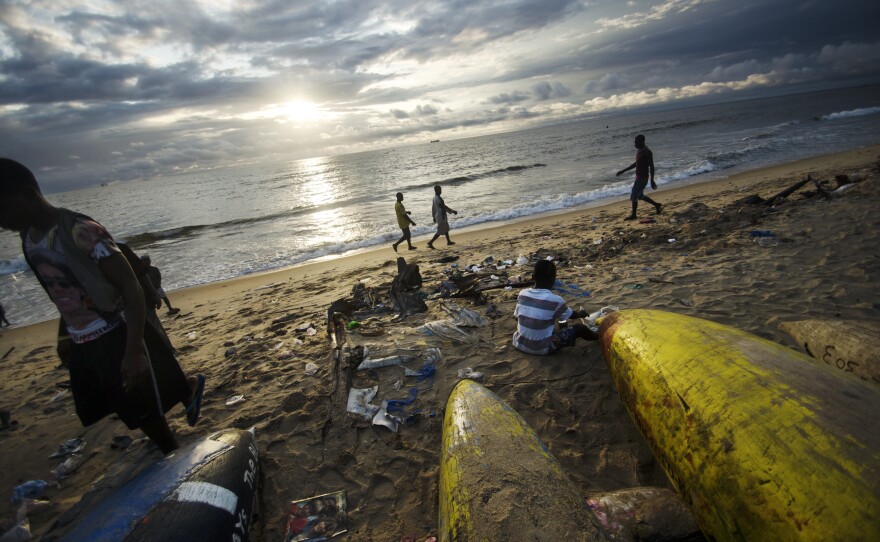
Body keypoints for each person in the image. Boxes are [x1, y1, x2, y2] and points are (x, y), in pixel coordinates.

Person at [0, 158, 205, 455]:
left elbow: (130, 286)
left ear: (29, 194)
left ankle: (172, 449)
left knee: (143, 405)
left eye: (3, 208)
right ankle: (184, 397)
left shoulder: (81, 231)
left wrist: (133, 351)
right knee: (125, 402)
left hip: (116, 330)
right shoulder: (29, 239)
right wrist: (65, 335)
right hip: (84, 337)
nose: (1, 221)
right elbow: (63, 292)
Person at [512, 260, 596, 355]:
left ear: (533, 277)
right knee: (580, 328)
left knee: (552, 322)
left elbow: (517, 317)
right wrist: (580, 314)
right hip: (542, 348)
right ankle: (597, 336)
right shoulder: (555, 300)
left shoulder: (522, 294)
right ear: (553, 278)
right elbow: (572, 315)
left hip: (519, 343)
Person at [616, 134, 662, 220]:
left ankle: (634, 215)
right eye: (634, 142)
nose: (635, 144)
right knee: (640, 196)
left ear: (641, 142)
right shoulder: (640, 150)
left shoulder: (647, 152)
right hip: (639, 177)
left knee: (634, 195)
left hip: (643, 178)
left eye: (636, 142)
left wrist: (652, 180)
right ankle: (657, 205)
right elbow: (636, 163)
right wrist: (623, 171)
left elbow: (652, 166)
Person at [427, 185, 458, 249]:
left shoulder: (435, 198)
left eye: (440, 189)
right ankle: (430, 242)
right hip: (441, 216)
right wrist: (452, 211)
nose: (441, 191)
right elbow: (444, 207)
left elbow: (433, 208)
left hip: (440, 215)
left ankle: (448, 241)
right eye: (439, 190)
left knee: (446, 228)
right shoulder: (438, 199)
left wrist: (433, 216)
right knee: (440, 231)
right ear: (436, 190)